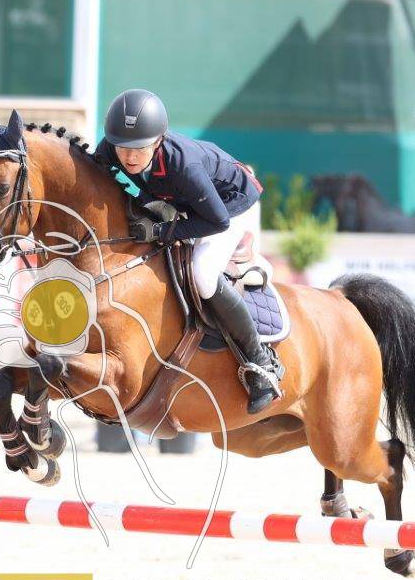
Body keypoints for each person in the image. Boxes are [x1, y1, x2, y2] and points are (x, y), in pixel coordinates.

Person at [94, 88, 282, 413]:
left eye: (139, 148)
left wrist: (162, 231)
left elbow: (217, 221)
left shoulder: (182, 165)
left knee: (202, 275)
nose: (129, 157)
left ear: (158, 141)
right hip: (188, 204)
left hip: (230, 205)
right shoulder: (110, 150)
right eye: (123, 147)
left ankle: (262, 363)